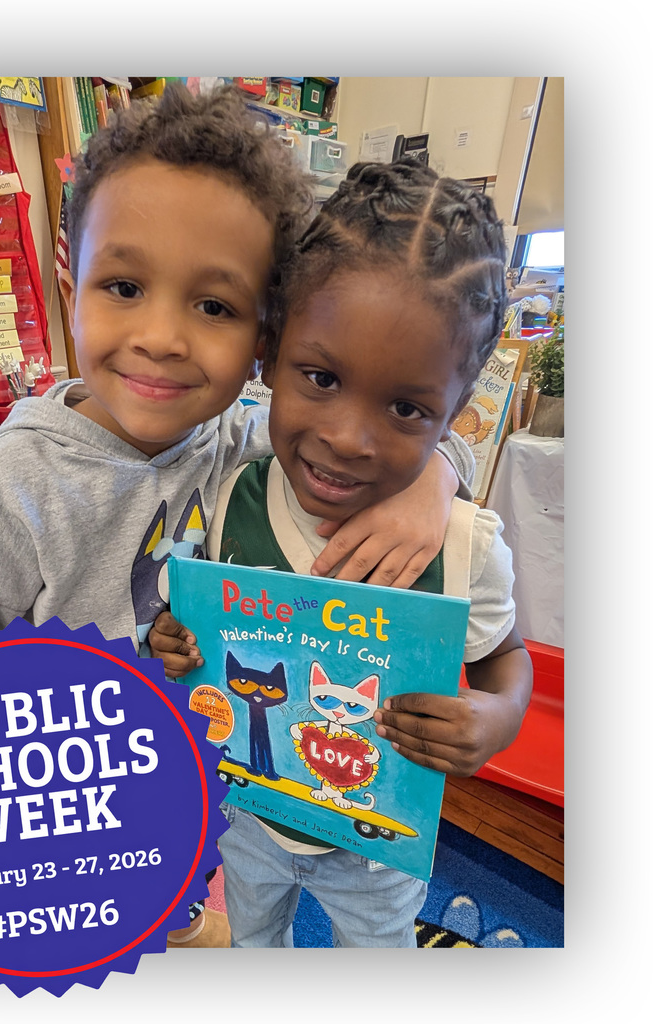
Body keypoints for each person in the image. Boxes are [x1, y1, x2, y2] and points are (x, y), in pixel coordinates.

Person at [0, 87, 475, 947]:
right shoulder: (8, 491)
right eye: (125, 285)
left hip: (194, 813)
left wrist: (434, 475)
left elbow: (384, 436)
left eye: (214, 306)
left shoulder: (241, 436)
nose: (164, 337)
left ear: (264, 334)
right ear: (71, 277)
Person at [149, 158, 534, 948]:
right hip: (253, 817)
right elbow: (193, 628)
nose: (347, 438)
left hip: (378, 846)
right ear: (268, 354)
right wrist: (173, 641)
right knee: (255, 945)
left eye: (404, 406)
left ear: (455, 411)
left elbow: (506, 658)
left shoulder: (464, 548)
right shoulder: (226, 499)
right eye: (319, 377)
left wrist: (495, 719)